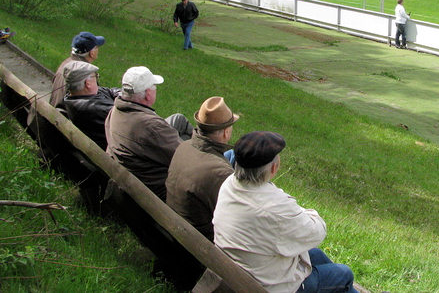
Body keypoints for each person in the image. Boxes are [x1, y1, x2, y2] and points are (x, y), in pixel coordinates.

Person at [213, 131, 358, 293]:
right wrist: (304, 212)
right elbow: (318, 231)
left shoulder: (229, 184)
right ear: (274, 168)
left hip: (240, 269)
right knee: (343, 274)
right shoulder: (275, 208)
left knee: (316, 255)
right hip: (266, 286)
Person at [105, 66, 193, 201]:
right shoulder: (152, 127)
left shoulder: (116, 110)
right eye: (154, 87)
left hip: (135, 174)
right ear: (148, 94)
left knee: (178, 119)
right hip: (156, 189)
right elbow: (187, 160)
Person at [166, 96, 239, 241]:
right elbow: (235, 220)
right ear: (226, 132)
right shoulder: (221, 173)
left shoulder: (184, 146)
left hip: (174, 226)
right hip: (197, 244)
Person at [62, 61, 120, 150]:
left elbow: (110, 91)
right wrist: (126, 97)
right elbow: (125, 115)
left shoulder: (76, 95)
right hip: (110, 151)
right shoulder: (93, 108)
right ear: (88, 83)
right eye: (95, 76)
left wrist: (122, 95)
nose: (97, 79)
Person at [50, 31, 105, 110]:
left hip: (55, 111)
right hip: (67, 115)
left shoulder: (66, 64)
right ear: (92, 53)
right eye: (97, 47)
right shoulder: (85, 72)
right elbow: (94, 103)